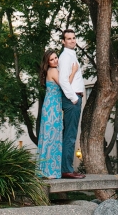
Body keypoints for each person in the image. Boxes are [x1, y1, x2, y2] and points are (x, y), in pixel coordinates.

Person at [58, 29, 86, 178]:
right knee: (69, 135)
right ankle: (67, 170)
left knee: (70, 135)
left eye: (74, 38)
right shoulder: (65, 57)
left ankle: (67, 168)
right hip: (71, 99)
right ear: (63, 41)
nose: (72, 40)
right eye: (68, 39)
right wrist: (74, 98)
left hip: (74, 98)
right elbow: (63, 81)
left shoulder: (71, 55)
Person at [36, 49, 64, 179]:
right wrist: (74, 72)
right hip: (52, 107)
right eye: (51, 59)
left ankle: (45, 171)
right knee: (50, 137)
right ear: (47, 62)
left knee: (49, 137)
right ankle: (48, 172)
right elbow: (64, 84)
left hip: (52, 106)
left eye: (56, 58)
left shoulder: (51, 70)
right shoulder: (53, 71)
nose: (55, 61)